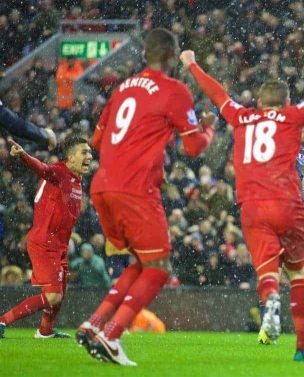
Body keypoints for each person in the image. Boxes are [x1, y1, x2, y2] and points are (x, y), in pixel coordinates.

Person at [181, 31, 304, 361]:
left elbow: (217, 94)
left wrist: (193, 65)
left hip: (252, 206)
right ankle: (301, 347)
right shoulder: (293, 116)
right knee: (299, 275)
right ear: (284, 102)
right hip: (289, 204)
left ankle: (270, 302)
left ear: (258, 102)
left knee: (267, 272)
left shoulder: (242, 116)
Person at [75, 28, 215, 366]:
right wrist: (208, 127)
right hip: (135, 189)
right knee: (159, 268)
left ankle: (93, 325)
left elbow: (96, 142)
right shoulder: (175, 90)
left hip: (103, 186)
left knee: (141, 262)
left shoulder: (122, 88)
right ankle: (112, 335)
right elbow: (194, 147)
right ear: (170, 56)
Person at [0, 136, 92, 339]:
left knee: (60, 294)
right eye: (84, 152)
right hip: (45, 242)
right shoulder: (59, 171)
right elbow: (43, 168)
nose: (89, 156)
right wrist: (24, 155)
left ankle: (45, 331)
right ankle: (2, 320)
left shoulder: (75, 178)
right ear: (70, 157)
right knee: (52, 295)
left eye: (90, 152)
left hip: (59, 244)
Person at [257, 124, 304, 347]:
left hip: (281, 215)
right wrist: (302, 211)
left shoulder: (294, 151)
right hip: (291, 216)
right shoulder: (288, 151)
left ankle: (268, 329)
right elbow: (289, 184)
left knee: (275, 271)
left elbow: (298, 184)